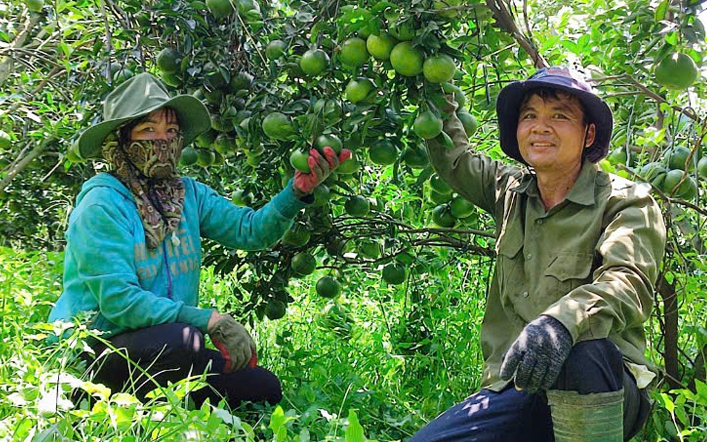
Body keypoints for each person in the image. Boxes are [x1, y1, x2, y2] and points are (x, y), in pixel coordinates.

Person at [48, 72, 350, 408]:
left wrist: (296, 193)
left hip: (161, 348)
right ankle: (99, 405)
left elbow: (249, 230)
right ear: (120, 140)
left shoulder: (186, 194)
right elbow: (120, 302)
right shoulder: (101, 204)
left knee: (262, 388)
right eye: (148, 130)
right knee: (184, 339)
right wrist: (208, 320)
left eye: (171, 130)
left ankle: (160, 404)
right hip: (91, 355)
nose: (162, 140)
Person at [410, 66, 666, 441]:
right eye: (529, 116)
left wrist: (561, 322)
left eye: (559, 116)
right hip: (518, 385)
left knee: (585, 351)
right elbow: (456, 158)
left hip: (600, 386)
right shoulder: (510, 191)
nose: (540, 127)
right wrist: (432, 86)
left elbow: (629, 281)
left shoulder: (626, 202)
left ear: (588, 133)